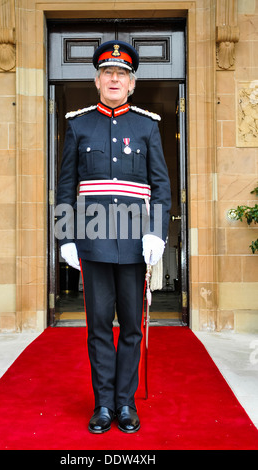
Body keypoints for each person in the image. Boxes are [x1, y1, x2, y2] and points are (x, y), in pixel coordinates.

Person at [56, 40, 171, 434]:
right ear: (97, 80)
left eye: (122, 74)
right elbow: (66, 185)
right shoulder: (78, 124)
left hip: (136, 242)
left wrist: (156, 232)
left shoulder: (147, 126)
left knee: (133, 328)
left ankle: (125, 404)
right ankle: (103, 404)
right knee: (99, 326)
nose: (114, 79)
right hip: (93, 240)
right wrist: (65, 238)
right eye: (108, 73)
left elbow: (161, 186)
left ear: (132, 83)